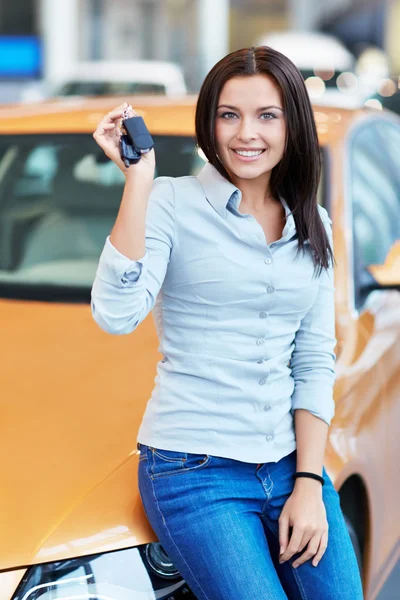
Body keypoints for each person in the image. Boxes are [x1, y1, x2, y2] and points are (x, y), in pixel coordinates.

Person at [91, 47, 364, 600]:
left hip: (292, 464)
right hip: (195, 471)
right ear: (209, 123)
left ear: (292, 124)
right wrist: (138, 181)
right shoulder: (169, 202)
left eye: (267, 115)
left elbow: (313, 359)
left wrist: (309, 483)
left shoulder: (316, 225)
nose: (247, 133)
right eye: (229, 114)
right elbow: (116, 315)